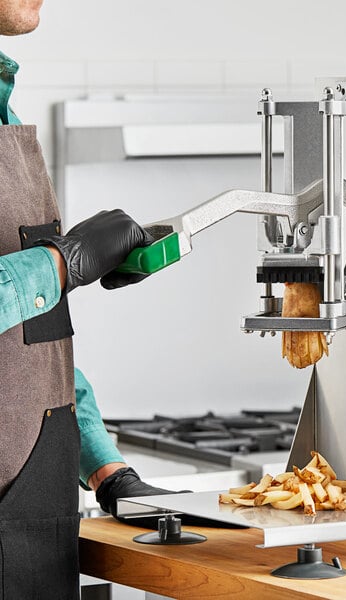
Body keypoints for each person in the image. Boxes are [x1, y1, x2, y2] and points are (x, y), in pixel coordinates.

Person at [0, 1, 178, 597]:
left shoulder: (7, 110)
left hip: (31, 506)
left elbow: (29, 347)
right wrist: (65, 261)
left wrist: (107, 470)